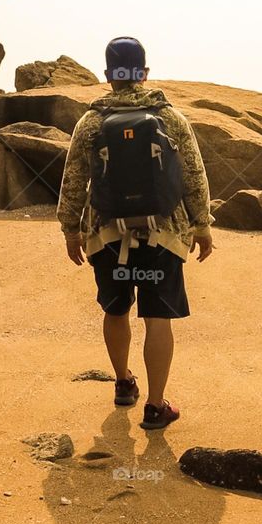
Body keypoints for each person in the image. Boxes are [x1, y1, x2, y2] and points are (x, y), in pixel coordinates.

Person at [57, 37, 214, 430]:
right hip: (163, 234)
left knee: (115, 308)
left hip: (106, 233)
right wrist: (203, 224)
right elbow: (194, 175)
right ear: (144, 73)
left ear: (109, 76)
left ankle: (124, 383)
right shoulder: (171, 118)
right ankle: (156, 407)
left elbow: (73, 179)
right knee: (158, 318)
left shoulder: (91, 122)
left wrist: (71, 230)